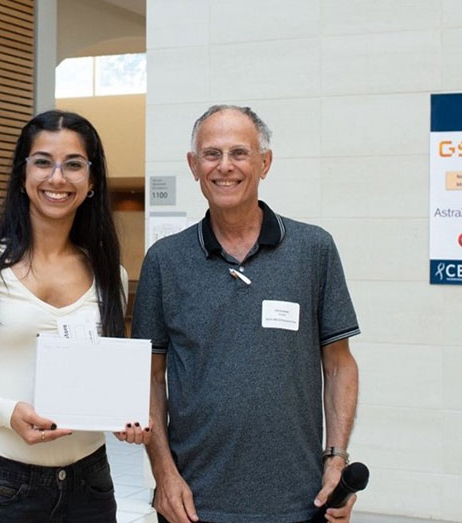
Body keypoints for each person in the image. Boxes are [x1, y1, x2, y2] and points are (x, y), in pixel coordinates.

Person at [0, 110, 150, 523]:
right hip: (0, 485)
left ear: (92, 182)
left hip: (90, 485)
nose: (57, 178)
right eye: (43, 162)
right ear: (22, 174)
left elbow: (101, 378)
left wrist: (125, 417)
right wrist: (7, 412)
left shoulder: (109, 274)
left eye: (74, 164)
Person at [132, 105, 361, 523]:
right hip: (192, 505)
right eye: (211, 154)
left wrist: (337, 458)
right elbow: (149, 376)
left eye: (239, 153)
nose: (225, 167)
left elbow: (339, 366)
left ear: (265, 163)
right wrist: (163, 474)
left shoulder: (314, 250)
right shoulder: (164, 261)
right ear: (194, 166)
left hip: (299, 502)